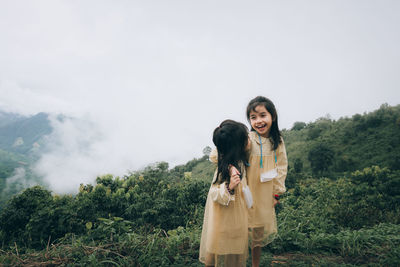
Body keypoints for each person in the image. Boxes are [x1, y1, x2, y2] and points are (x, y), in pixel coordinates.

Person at [199, 120, 251, 267]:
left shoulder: (236, 159)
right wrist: (229, 186)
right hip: (224, 215)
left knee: (233, 246)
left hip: (237, 212)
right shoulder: (223, 169)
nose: (249, 139)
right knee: (218, 246)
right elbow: (214, 194)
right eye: (245, 138)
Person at [245, 96, 288, 267]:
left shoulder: (277, 141)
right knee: (240, 230)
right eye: (253, 117)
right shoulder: (248, 138)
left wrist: (276, 194)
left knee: (257, 234)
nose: (258, 121)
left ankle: (255, 265)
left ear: (273, 116)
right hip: (246, 190)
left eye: (263, 115)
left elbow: (282, 167)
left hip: (264, 194)